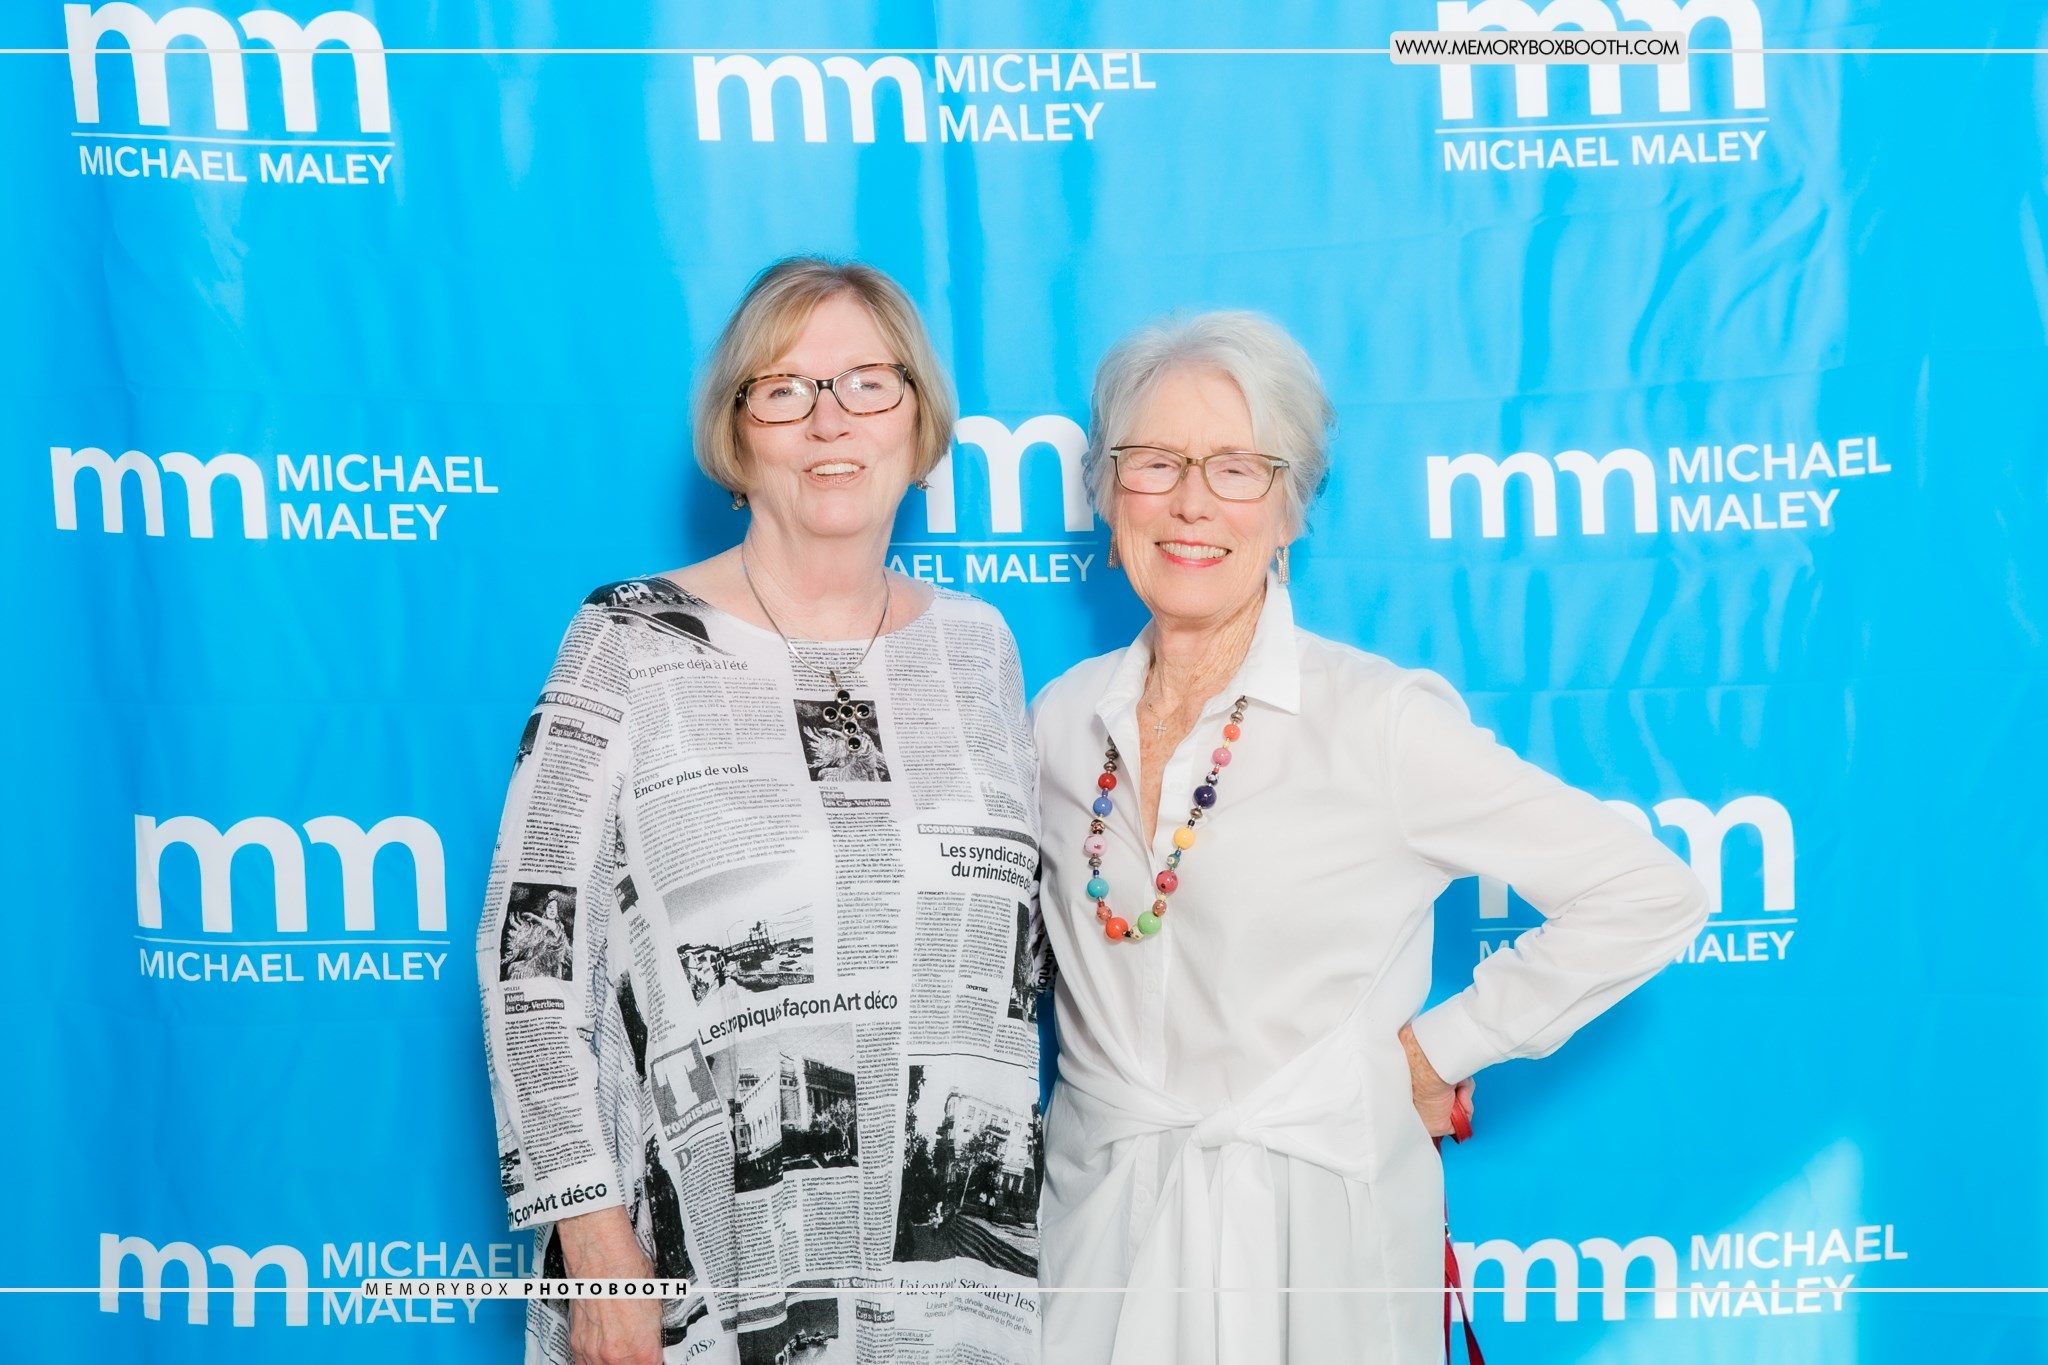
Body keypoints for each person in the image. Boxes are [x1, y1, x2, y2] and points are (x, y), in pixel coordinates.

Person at [1032, 311, 1711, 1363]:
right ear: (1108, 493)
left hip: (1321, 1244)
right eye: (1154, 461)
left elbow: (1646, 892)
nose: (1190, 502)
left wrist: (1439, 1051)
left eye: (1237, 468)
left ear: (1290, 508)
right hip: (1100, 1246)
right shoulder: (1058, 719)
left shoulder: (1377, 721)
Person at [479, 257, 1045, 1365]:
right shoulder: (629, 638)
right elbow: (526, 959)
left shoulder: (979, 648)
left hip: (955, 1297)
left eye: (868, 384)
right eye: (785, 389)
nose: (830, 421)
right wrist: (591, 1240)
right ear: (738, 435)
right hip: (704, 1273)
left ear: (918, 420)